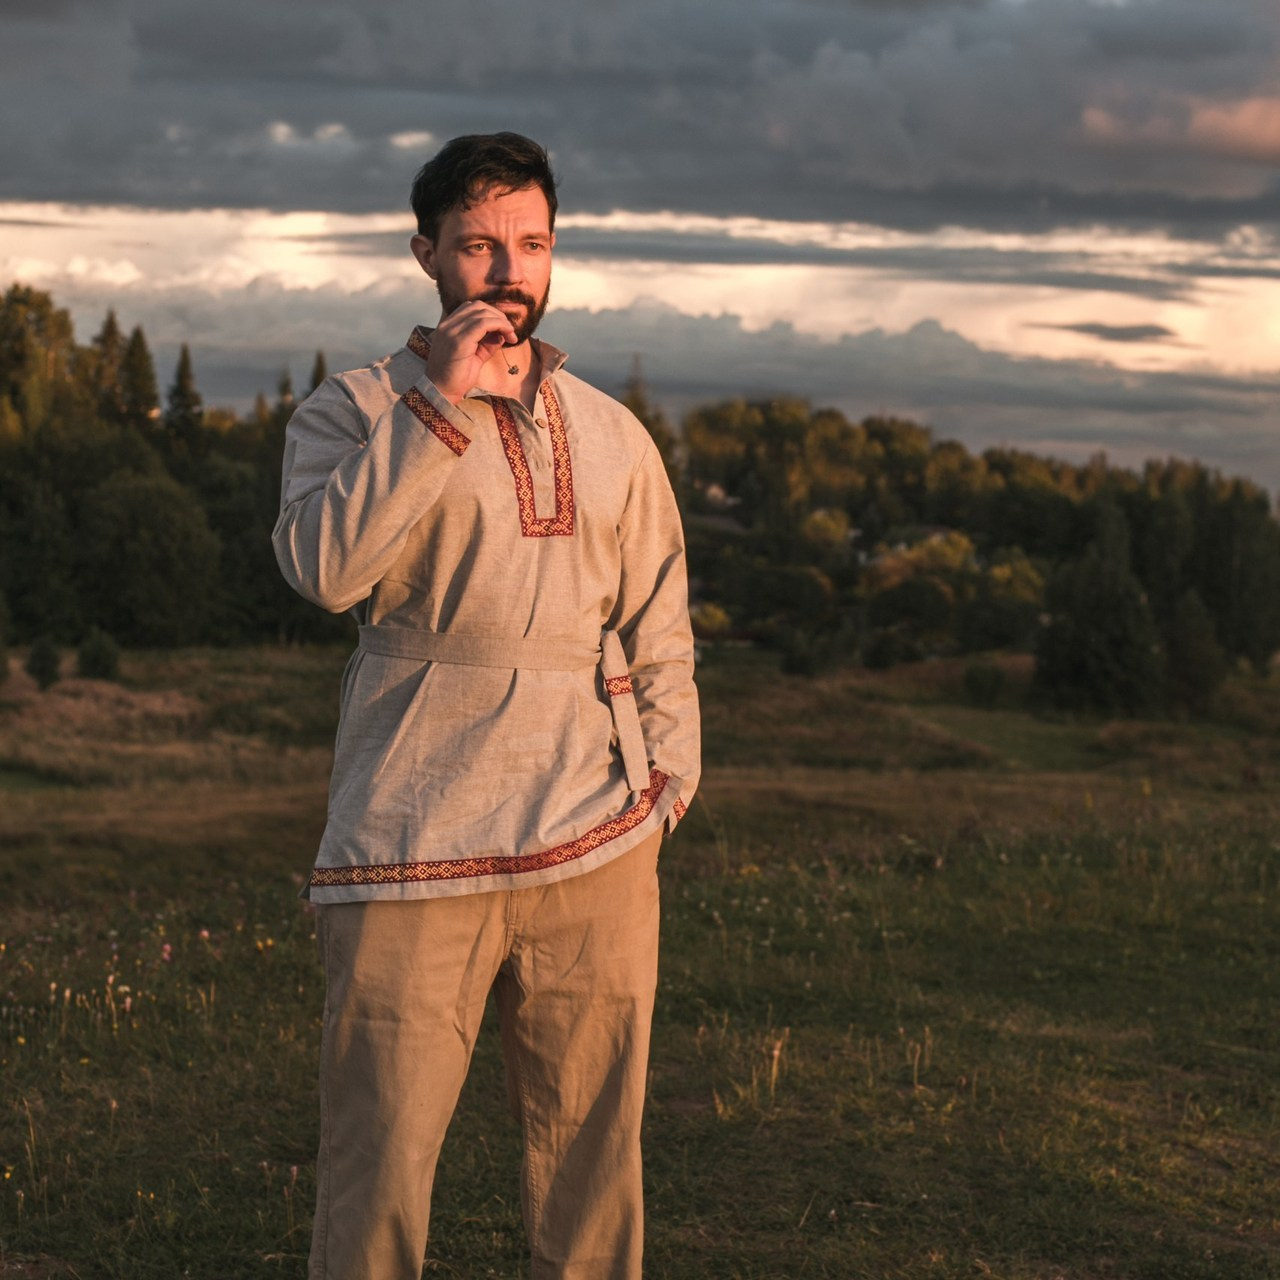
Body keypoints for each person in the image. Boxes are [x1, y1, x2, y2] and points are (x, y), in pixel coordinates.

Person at [273, 132, 700, 1280]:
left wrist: (662, 785)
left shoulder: (613, 433)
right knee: (378, 1166)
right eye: (478, 245)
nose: (508, 269)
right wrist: (436, 406)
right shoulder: (352, 411)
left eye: (531, 243)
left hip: (596, 841)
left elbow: (660, 623)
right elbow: (322, 570)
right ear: (427, 254)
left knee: (592, 1165)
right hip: (413, 839)